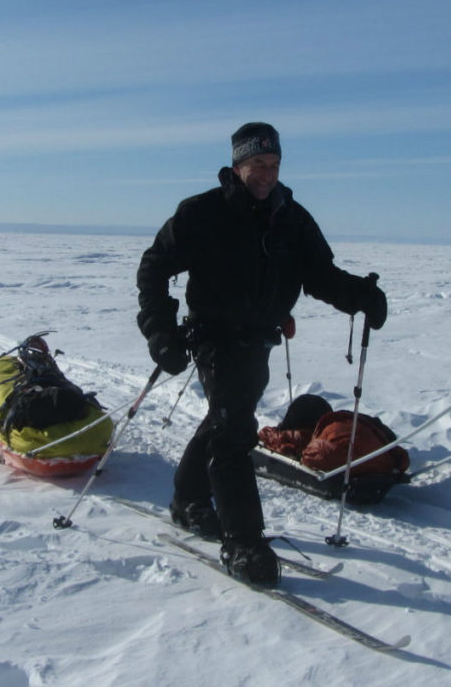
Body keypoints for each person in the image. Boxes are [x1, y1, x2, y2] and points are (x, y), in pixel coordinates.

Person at [136, 123, 387, 586]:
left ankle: (188, 498)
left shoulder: (292, 218)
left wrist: (361, 296)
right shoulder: (202, 213)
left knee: (225, 418)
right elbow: (153, 268)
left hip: (260, 338)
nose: (267, 175)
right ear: (237, 166)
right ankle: (244, 542)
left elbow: (321, 276)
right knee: (234, 432)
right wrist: (160, 332)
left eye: (273, 166)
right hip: (213, 337)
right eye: (257, 166)